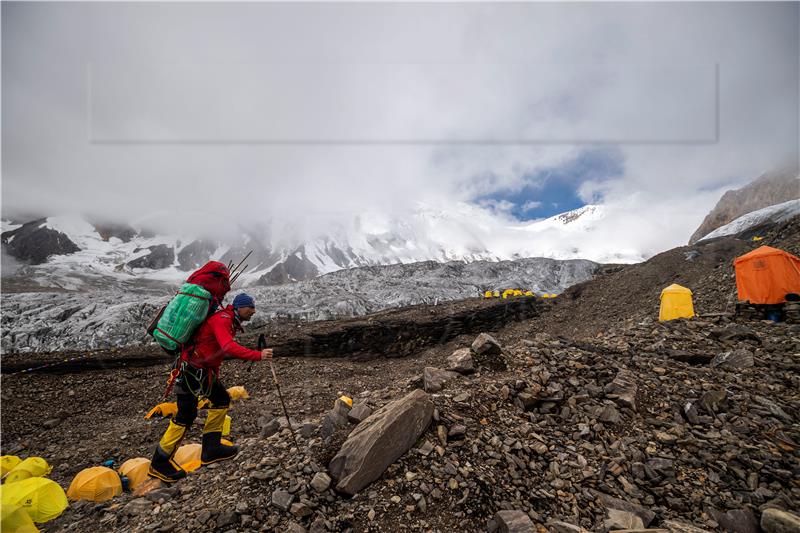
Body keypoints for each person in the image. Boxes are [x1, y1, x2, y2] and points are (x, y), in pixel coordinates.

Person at [148, 293, 272, 483]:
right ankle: (159, 462)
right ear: (238, 307)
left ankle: (211, 449)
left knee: (221, 399)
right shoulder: (222, 320)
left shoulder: (230, 321)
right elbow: (228, 347)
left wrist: (214, 374)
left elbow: (213, 351)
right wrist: (258, 355)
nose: (253, 311)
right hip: (190, 371)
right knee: (185, 415)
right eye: (250, 307)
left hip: (203, 373)